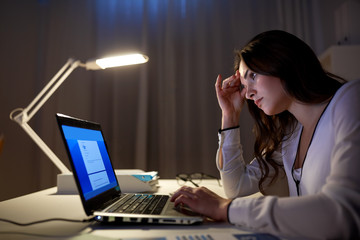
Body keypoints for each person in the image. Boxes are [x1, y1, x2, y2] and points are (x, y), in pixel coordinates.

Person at [170, 30, 360, 239]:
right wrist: (230, 115)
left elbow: (339, 216)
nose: (248, 93)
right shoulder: (291, 135)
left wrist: (226, 208)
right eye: (243, 85)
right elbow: (236, 186)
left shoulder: (350, 100)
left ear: (284, 62)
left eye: (253, 75)